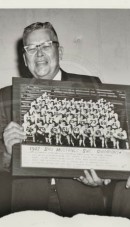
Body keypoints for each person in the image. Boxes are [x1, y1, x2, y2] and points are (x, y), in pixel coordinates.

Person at [0, 22, 117, 217]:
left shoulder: (91, 86)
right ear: (25, 58)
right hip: (27, 205)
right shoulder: (5, 98)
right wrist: (9, 153)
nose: (39, 54)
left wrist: (103, 176)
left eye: (46, 46)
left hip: (83, 201)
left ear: (59, 51)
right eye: (31, 48)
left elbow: (112, 147)